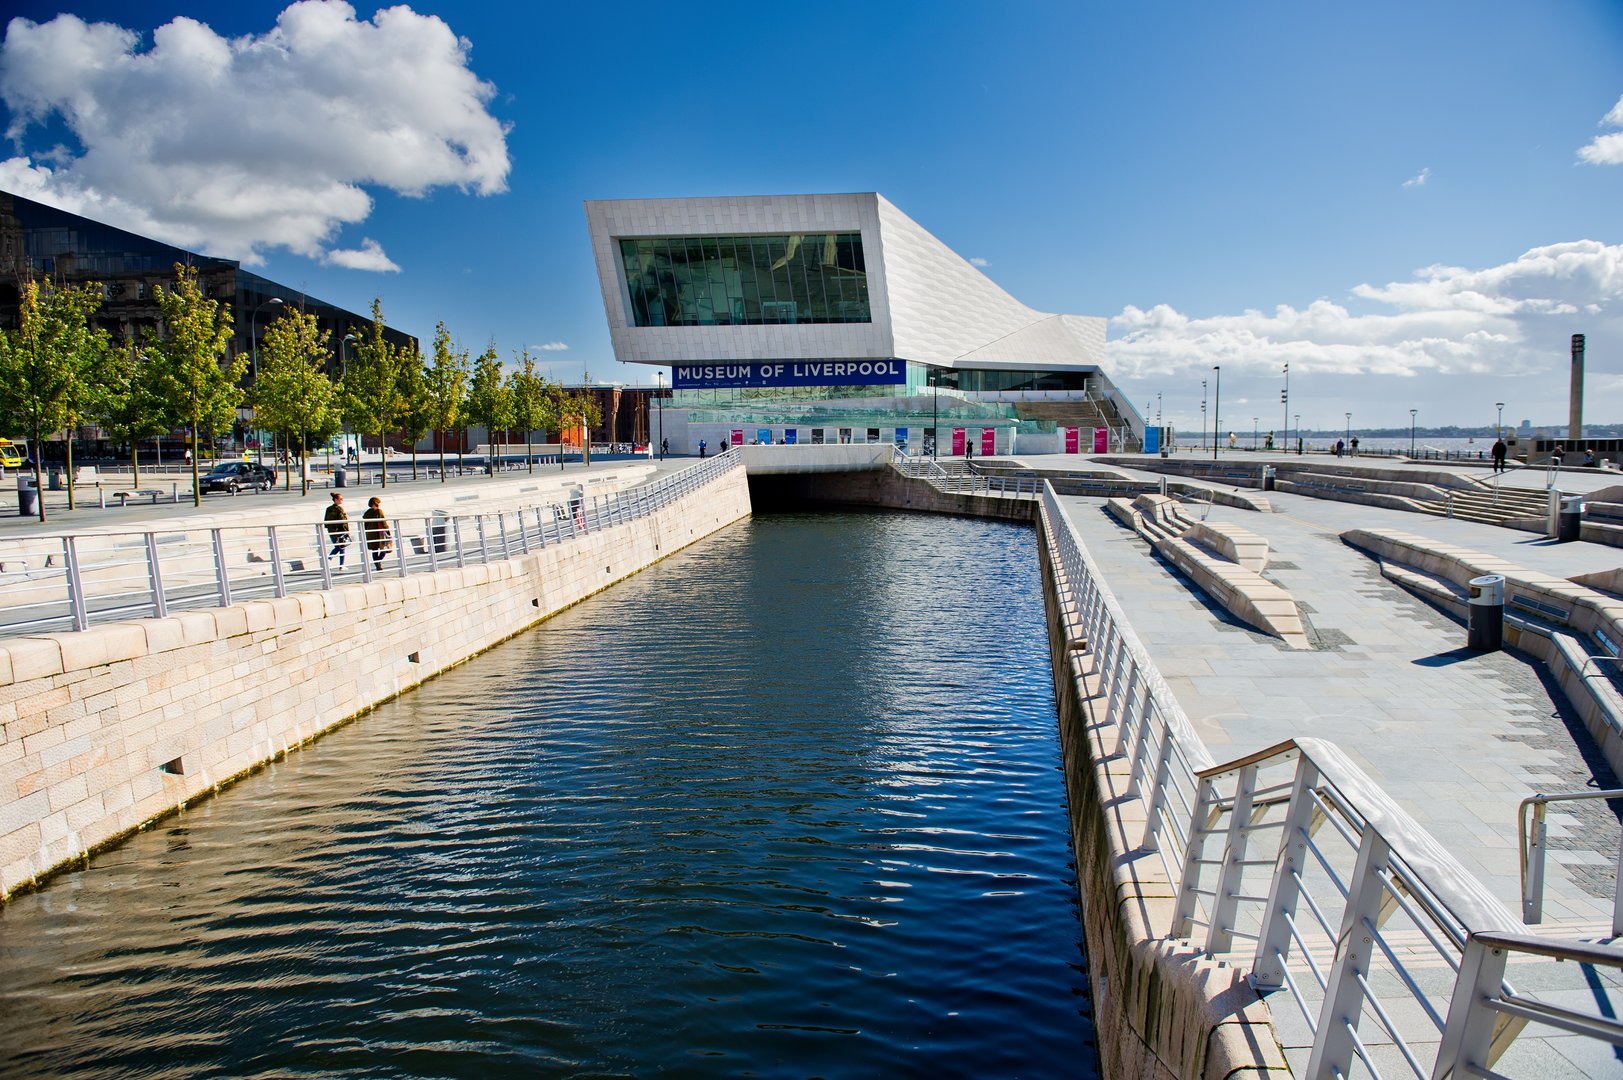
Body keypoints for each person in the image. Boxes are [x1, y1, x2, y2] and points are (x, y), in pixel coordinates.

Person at [362, 496, 393, 570]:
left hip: (370, 534)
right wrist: (388, 531)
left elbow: (365, 524)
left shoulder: (368, 512)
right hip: (379, 533)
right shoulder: (379, 511)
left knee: (374, 550)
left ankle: (377, 565)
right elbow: (383, 522)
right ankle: (379, 563)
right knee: (385, 548)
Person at [324, 493, 350, 568]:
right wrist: (346, 531)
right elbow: (343, 522)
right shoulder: (339, 509)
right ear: (336, 500)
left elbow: (326, 521)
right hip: (340, 531)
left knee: (338, 547)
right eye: (341, 499)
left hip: (331, 531)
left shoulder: (328, 509)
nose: (342, 500)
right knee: (341, 547)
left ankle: (329, 560)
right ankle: (340, 565)